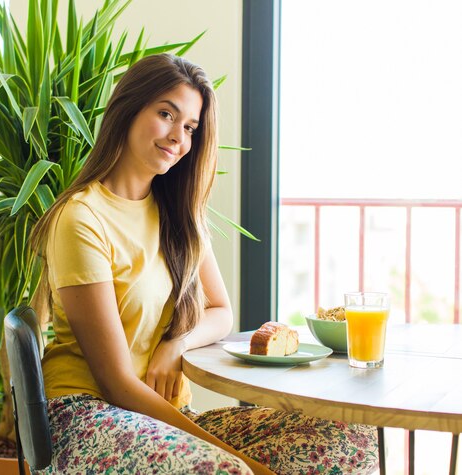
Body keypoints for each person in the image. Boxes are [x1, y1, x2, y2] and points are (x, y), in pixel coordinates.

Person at [31, 53, 378, 475]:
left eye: (190, 127)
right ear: (127, 110)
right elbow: (116, 383)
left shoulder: (178, 213)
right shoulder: (82, 218)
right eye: (166, 114)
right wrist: (242, 461)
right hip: (86, 417)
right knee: (226, 470)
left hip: (162, 416)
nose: (178, 136)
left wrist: (175, 344)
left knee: (349, 435)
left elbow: (220, 311)